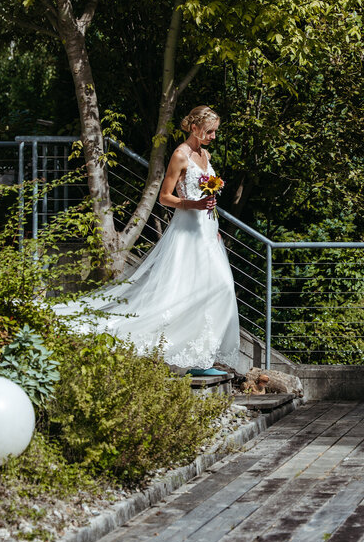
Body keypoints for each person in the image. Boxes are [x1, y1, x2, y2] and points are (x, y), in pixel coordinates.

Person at [53, 106, 244, 374]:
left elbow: (207, 197)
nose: (213, 136)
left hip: (208, 231)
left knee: (220, 288)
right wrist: (194, 205)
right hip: (187, 230)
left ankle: (203, 355)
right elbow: (165, 196)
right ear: (194, 128)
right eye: (209, 131)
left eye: (215, 132)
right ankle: (193, 360)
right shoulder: (180, 155)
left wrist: (212, 220)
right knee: (189, 293)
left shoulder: (205, 154)